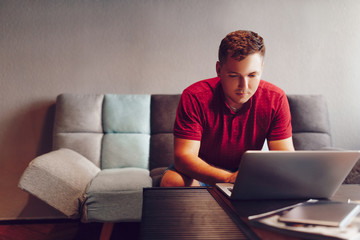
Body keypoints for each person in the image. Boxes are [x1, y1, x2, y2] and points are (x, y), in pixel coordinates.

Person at [160, 30, 295, 187]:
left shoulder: (275, 98)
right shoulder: (194, 96)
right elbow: (183, 158)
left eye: (252, 75)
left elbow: (284, 158)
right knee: (173, 181)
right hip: (202, 171)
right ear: (219, 70)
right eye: (233, 75)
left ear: (262, 69)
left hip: (248, 172)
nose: (244, 86)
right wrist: (228, 178)